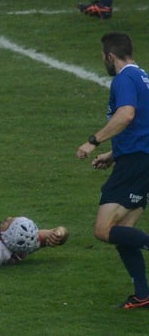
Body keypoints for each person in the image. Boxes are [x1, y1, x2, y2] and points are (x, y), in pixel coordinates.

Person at [75, 32, 149, 308]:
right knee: (123, 232)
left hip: (137, 163)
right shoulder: (143, 77)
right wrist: (114, 153)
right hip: (138, 159)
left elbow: (127, 114)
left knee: (104, 230)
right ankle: (143, 294)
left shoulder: (125, 79)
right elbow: (143, 124)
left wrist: (93, 142)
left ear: (110, 56)